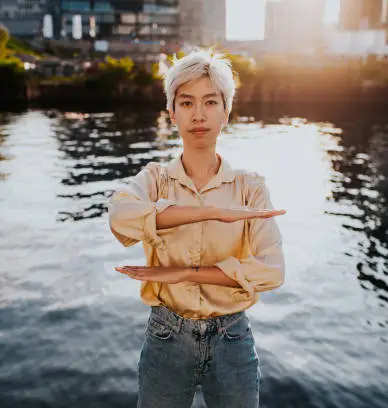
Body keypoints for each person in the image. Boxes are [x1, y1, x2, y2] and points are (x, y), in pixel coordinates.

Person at [108, 49, 286, 408]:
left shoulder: (250, 188)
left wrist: (183, 273)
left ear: (226, 112)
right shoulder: (156, 178)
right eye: (186, 102)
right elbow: (120, 215)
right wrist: (209, 213)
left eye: (210, 102)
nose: (199, 114)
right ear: (172, 112)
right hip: (166, 335)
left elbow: (272, 271)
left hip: (232, 336)